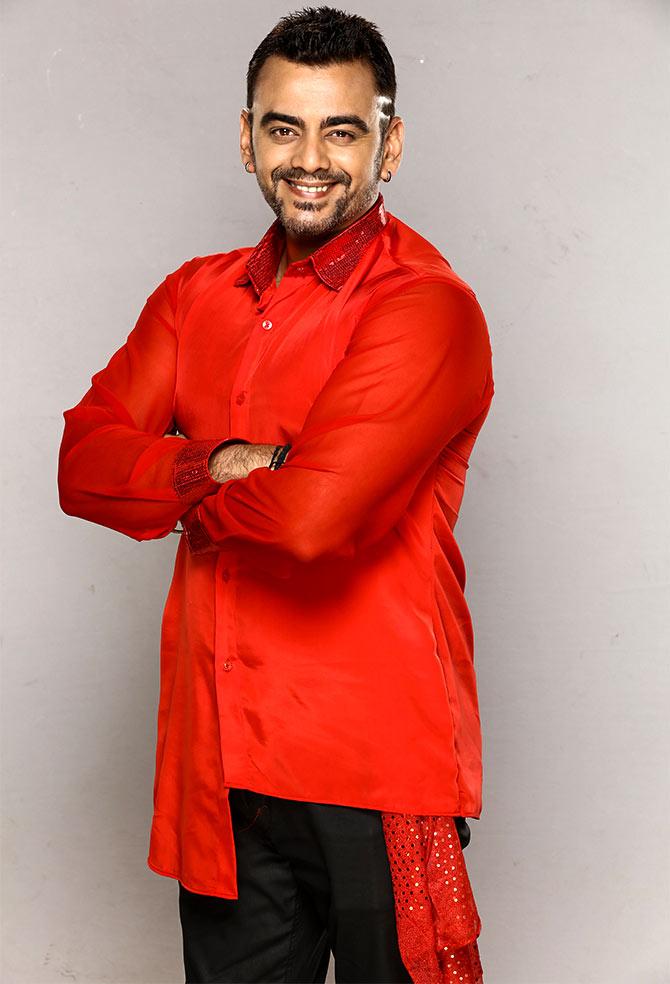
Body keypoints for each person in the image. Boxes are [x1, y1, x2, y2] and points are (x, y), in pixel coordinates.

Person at [58, 7, 494, 983]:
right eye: (284, 127)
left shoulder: (425, 307)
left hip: (375, 770)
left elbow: (310, 521)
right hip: (222, 764)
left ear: (389, 146)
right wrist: (219, 463)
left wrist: (176, 478)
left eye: (342, 130)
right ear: (247, 137)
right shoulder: (193, 297)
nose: (310, 159)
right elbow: (81, 464)